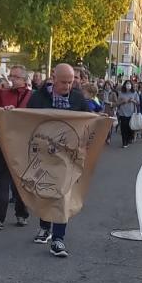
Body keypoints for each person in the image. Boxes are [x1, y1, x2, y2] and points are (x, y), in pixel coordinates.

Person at [25, 63, 95, 258]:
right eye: (63, 82)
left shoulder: (77, 98)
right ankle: (44, 227)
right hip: (44, 156)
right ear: (53, 78)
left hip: (67, 158)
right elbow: (25, 119)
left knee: (63, 195)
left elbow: (87, 121)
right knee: (45, 192)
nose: (67, 86)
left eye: (70, 82)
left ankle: (58, 238)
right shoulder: (38, 98)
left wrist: (100, 120)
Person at [0, 65, 33, 231]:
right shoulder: (3, 93)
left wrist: (17, 112)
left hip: (24, 145)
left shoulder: (32, 96)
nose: (12, 79)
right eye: (11, 76)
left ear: (25, 80)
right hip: (4, 142)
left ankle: (21, 212)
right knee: (3, 180)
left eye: (16, 77)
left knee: (19, 181)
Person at [117, 80, 139, 147]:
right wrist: (123, 102)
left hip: (131, 113)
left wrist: (133, 100)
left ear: (131, 85)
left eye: (129, 84)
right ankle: (124, 142)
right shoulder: (121, 93)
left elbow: (138, 102)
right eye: (127, 84)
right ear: (124, 85)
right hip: (123, 113)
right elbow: (117, 103)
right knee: (123, 128)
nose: (128, 85)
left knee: (130, 128)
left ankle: (130, 138)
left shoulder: (134, 93)